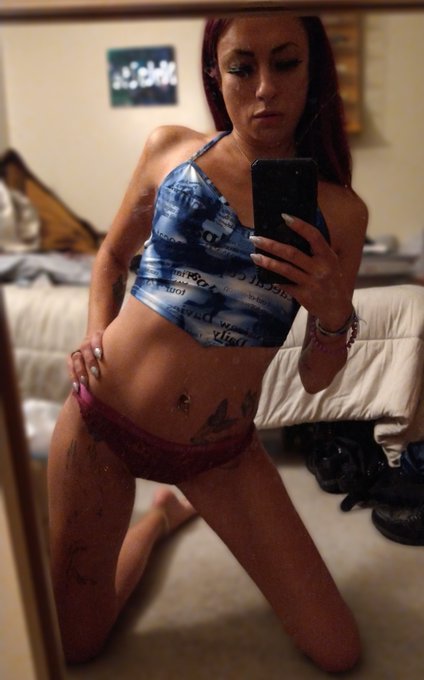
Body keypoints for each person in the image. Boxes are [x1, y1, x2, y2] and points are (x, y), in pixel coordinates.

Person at [48, 13, 368, 671]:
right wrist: (94, 330)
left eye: (286, 63)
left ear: (313, 71)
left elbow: (315, 380)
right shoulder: (170, 150)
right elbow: (110, 256)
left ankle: (170, 507)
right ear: (215, 75)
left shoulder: (340, 213)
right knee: (74, 646)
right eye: (241, 67)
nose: (265, 89)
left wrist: (335, 313)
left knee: (338, 650)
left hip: (219, 453)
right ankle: (160, 521)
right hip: (101, 422)